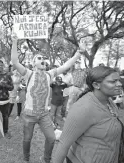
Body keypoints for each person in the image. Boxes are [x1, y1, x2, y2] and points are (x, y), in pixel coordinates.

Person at [11, 33, 85, 163]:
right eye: (39, 58)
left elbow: (66, 66)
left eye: (43, 58)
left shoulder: (50, 74)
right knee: (27, 139)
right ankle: (26, 159)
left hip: (44, 115)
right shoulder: (28, 74)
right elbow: (15, 62)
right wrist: (14, 42)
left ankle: (47, 159)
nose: (42, 60)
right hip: (29, 115)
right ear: (34, 63)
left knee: (51, 138)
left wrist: (78, 53)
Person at [53, 66, 124, 163]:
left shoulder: (108, 101)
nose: (120, 84)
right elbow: (63, 144)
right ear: (96, 85)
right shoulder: (83, 108)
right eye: (113, 82)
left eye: (119, 80)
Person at [0, 60, 14, 139]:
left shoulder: (7, 75)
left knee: (5, 117)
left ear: (3, 66)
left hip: (5, 100)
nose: (0, 67)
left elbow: (11, 87)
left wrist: (5, 85)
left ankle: (5, 131)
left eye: (1, 65)